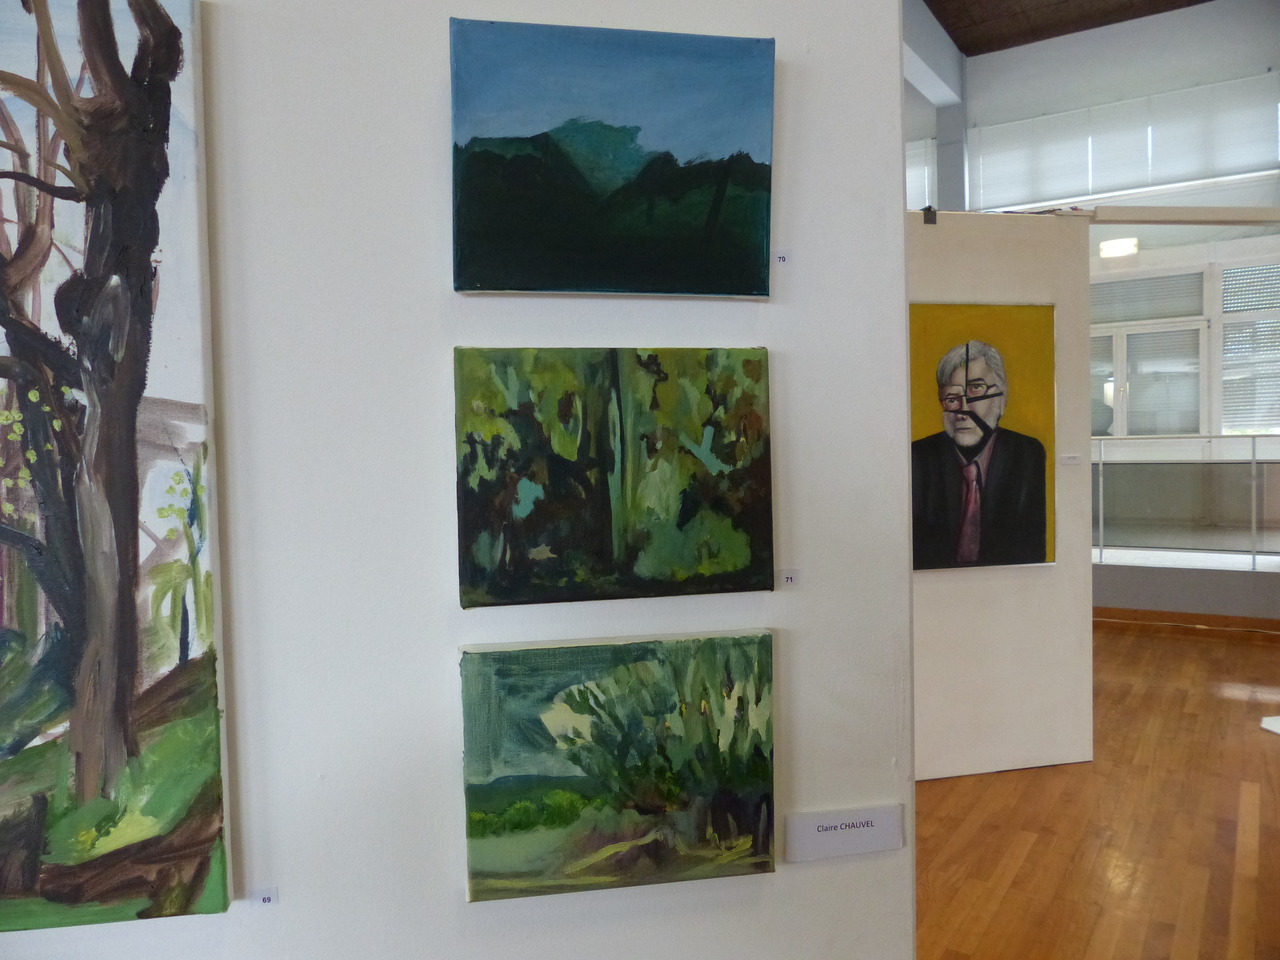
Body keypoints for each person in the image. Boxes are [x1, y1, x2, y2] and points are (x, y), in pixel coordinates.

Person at [912, 339, 1046, 569]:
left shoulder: (1026, 455)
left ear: (1002, 398)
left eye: (976, 389)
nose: (963, 410)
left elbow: (1027, 552)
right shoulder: (919, 458)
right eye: (951, 398)